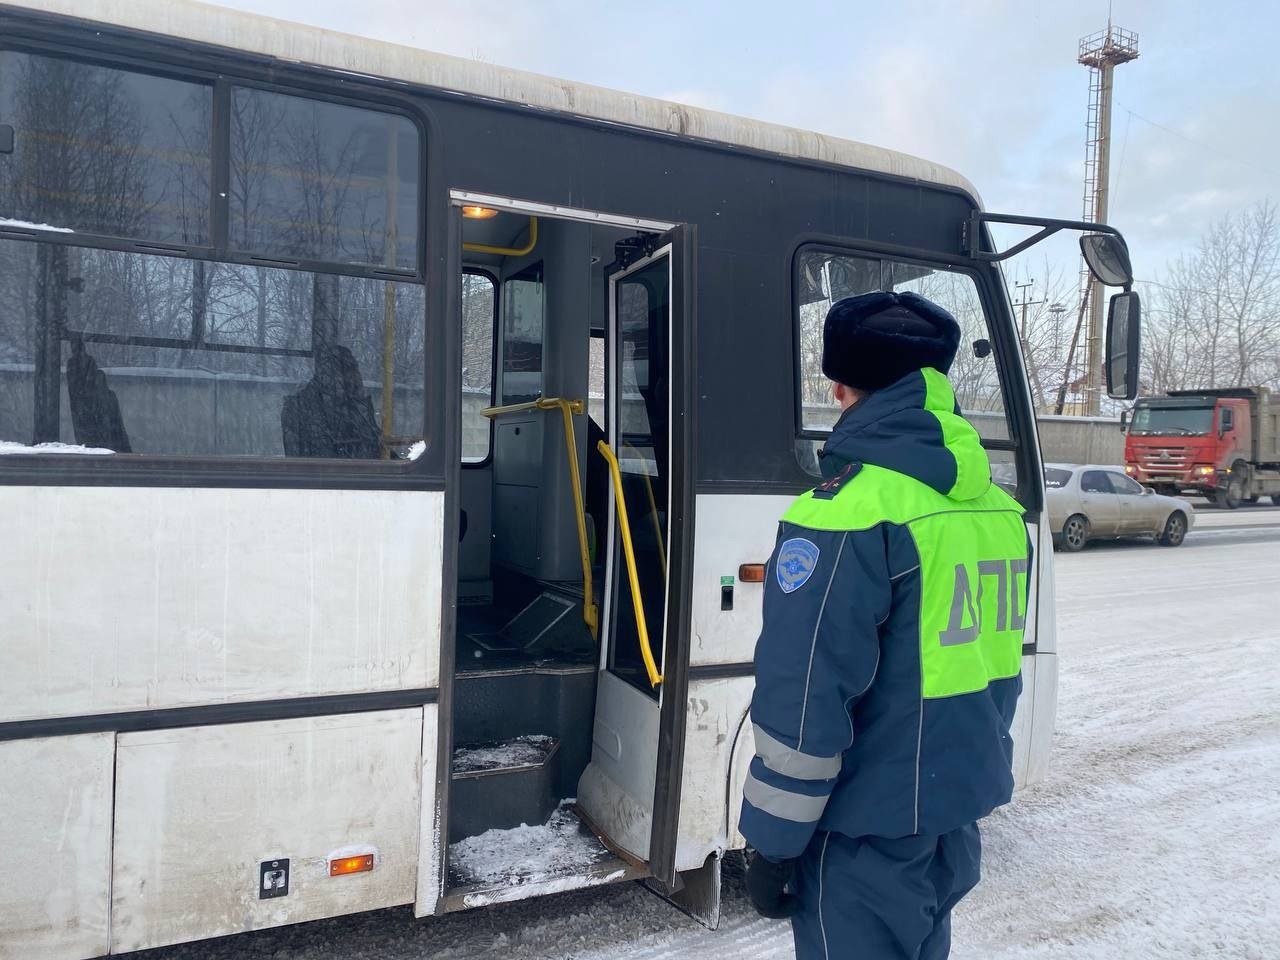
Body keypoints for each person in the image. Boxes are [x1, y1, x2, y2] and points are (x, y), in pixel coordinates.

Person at [739, 290, 1031, 960]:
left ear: (841, 387)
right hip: (947, 826)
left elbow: (804, 703)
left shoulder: (843, 513)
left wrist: (774, 845)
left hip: (860, 834)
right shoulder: (999, 512)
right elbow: (996, 678)